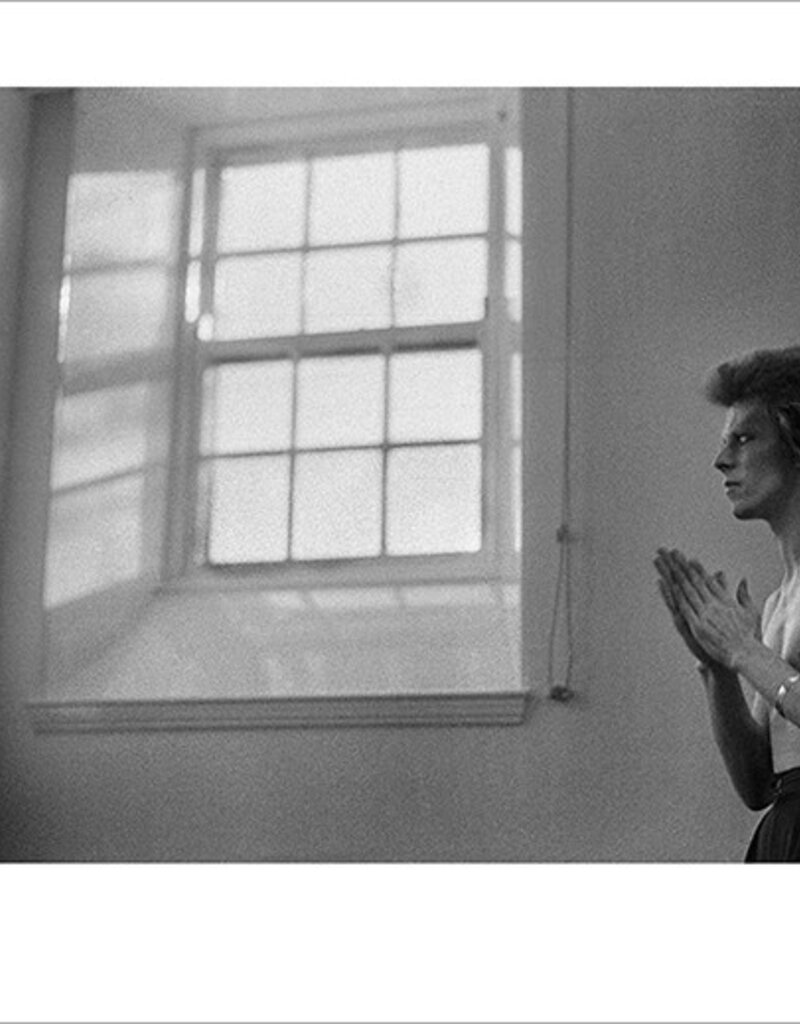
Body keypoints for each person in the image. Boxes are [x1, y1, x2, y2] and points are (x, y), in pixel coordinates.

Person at [654, 346, 800, 861]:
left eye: (743, 438)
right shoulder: (782, 598)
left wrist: (744, 650)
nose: (721, 460)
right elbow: (759, 785)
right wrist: (717, 668)